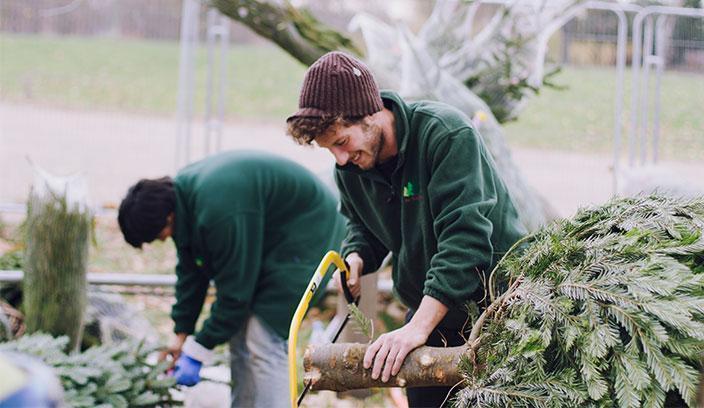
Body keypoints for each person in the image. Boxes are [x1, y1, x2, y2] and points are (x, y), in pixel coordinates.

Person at [286, 52, 526, 407]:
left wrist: (416, 328)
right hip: (429, 313)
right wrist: (357, 256)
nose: (339, 159)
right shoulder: (351, 168)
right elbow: (362, 223)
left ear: (370, 113)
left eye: (341, 142)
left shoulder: (444, 135)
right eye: (329, 150)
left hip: (495, 311)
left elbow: (466, 238)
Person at [117, 151, 345, 407]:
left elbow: (235, 294)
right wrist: (182, 337)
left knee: (263, 339)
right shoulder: (183, 200)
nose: (162, 240)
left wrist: (198, 350)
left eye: (159, 236)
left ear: (167, 217)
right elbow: (191, 273)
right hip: (271, 240)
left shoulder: (219, 210)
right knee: (239, 335)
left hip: (308, 236)